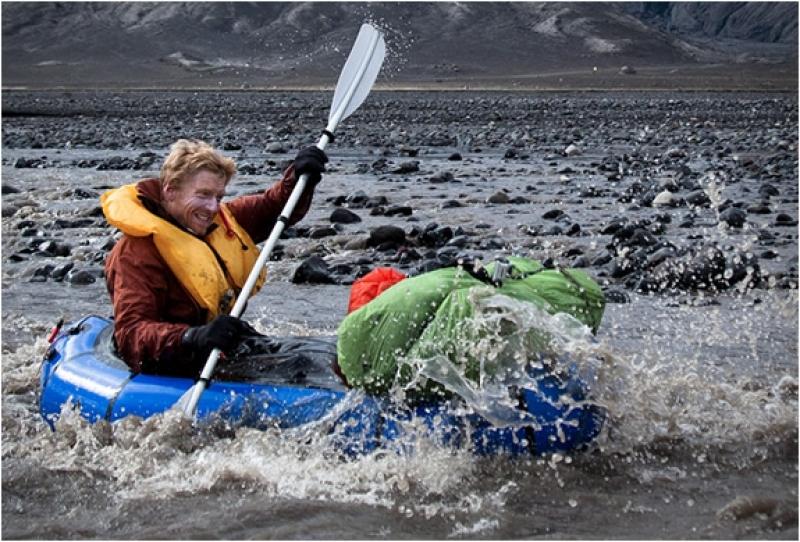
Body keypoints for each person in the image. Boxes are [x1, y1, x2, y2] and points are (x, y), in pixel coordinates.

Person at [101, 139, 327, 376]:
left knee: (307, 360)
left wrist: (300, 178)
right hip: (174, 358)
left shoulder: (218, 221)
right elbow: (132, 333)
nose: (212, 208)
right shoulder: (136, 253)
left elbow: (273, 206)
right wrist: (191, 337)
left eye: (218, 197)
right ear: (170, 190)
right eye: (203, 195)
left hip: (219, 343)